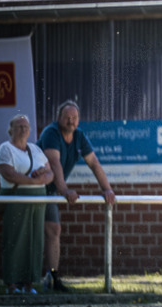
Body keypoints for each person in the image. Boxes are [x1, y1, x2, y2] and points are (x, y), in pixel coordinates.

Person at [38, 100, 116, 291]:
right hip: (36, 188)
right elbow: (54, 164)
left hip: (51, 192)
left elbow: (94, 163)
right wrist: (64, 191)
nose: (71, 121)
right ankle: (24, 282)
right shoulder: (51, 133)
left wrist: (107, 189)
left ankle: (53, 276)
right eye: (67, 117)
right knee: (35, 233)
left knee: (54, 230)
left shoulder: (79, 136)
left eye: (74, 118)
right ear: (59, 118)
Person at [0, 114, 54, 294]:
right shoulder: (5, 149)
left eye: (26, 127)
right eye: (19, 126)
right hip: (16, 200)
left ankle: (29, 284)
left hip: (38, 201)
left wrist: (43, 175)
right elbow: (9, 174)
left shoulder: (35, 149)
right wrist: (35, 181)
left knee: (35, 241)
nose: (23, 130)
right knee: (15, 240)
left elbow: (50, 172)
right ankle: (12, 285)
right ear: (10, 130)